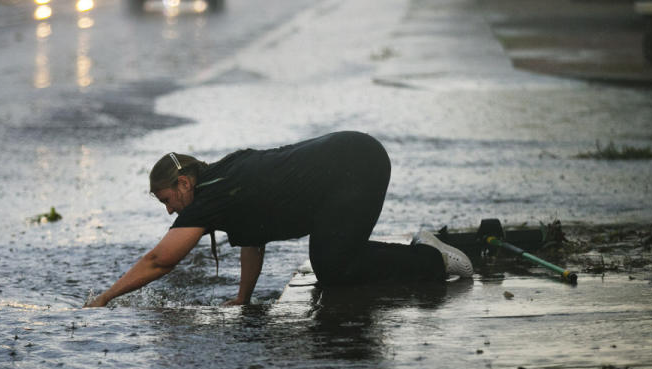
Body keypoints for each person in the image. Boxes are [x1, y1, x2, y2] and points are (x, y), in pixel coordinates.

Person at [84, 131, 473, 308]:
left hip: (355, 165)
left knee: (334, 266)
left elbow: (161, 260)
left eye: (168, 200)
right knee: (335, 259)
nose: (170, 211)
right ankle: (423, 252)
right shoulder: (221, 182)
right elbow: (253, 238)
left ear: (184, 183)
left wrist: (106, 296)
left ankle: (432, 259)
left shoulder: (209, 197)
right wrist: (242, 299)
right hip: (353, 158)